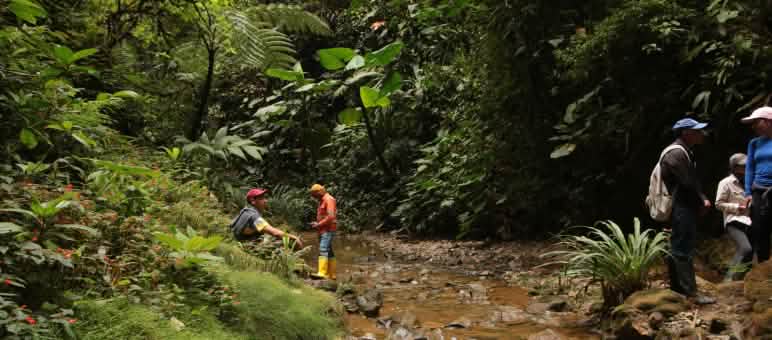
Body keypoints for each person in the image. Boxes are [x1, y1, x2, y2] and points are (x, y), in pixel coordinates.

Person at [659, 118, 715, 304]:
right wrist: (702, 200)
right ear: (686, 133)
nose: (702, 134)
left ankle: (677, 290)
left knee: (678, 247)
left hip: (683, 206)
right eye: (697, 131)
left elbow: (688, 181)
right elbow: (686, 183)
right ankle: (690, 293)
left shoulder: (683, 151)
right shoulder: (676, 153)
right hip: (681, 207)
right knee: (683, 248)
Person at [741, 106, 772, 264]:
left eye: (756, 122)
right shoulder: (754, 143)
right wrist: (747, 193)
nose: (753, 126)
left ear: (768, 121)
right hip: (758, 190)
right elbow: (749, 168)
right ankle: (763, 266)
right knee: (760, 230)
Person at [715, 153, 753, 282]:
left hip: (750, 222)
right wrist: (737, 207)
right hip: (734, 221)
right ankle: (728, 280)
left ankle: (741, 281)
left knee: (751, 253)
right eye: (743, 166)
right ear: (734, 167)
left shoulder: (750, 181)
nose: (746, 168)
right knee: (745, 248)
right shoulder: (725, 183)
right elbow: (718, 204)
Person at [229, 188, 303, 248]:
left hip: (239, 243)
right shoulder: (254, 217)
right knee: (287, 242)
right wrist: (294, 238)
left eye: (264, 198)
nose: (265, 201)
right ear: (253, 201)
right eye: (261, 198)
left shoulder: (245, 211)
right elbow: (275, 233)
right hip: (247, 246)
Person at [309, 184, 337, 280]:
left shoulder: (329, 199)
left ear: (319, 192)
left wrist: (318, 224)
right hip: (323, 229)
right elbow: (325, 216)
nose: (314, 197)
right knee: (329, 251)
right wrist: (317, 223)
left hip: (328, 230)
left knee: (323, 249)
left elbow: (331, 217)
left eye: (314, 195)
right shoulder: (322, 200)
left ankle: (322, 273)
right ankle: (331, 275)